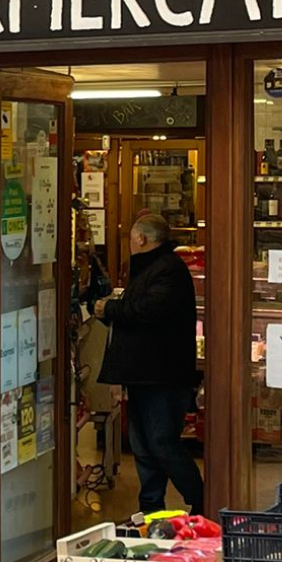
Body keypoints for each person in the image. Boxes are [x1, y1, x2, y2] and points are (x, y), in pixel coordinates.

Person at [94, 214, 204, 516]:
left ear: (141, 239)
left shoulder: (167, 269)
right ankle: (151, 507)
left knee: (161, 441)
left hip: (164, 376)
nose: (130, 243)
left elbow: (148, 310)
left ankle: (201, 500)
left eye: (131, 237)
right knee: (143, 445)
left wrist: (111, 308)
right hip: (145, 373)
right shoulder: (152, 268)